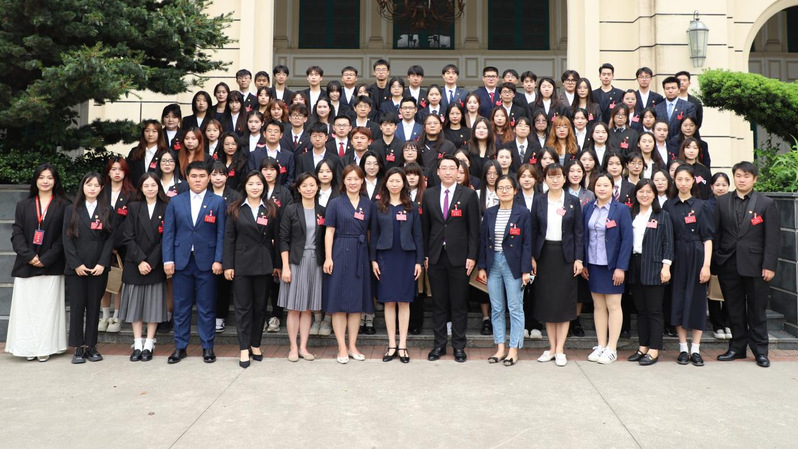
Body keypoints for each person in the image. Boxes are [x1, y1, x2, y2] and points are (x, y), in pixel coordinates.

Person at [714, 162, 780, 368]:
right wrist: (717, 259)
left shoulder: (766, 203)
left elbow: (772, 238)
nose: (742, 180)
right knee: (734, 309)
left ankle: (760, 351)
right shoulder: (722, 202)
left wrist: (769, 265)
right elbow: (716, 233)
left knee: (757, 310)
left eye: (746, 176)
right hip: (729, 263)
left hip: (756, 265)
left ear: (755, 179)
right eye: (738, 175)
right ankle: (737, 347)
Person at [162, 161, 226, 364]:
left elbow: (221, 234)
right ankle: (180, 347)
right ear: (187, 178)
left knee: (207, 307)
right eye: (194, 176)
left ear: (209, 178)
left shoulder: (218, 202)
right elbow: (169, 233)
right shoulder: (176, 201)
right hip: (181, 262)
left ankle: (207, 347)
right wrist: (168, 259)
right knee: (181, 307)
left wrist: (218, 259)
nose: (198, 180)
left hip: (207, 263)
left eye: (202, 176)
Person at [6, 164, 69, 362]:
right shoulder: (23, 205)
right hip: (26, 264)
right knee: (26, 309)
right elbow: (17, 234)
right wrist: (29, 256)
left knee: (47, 309)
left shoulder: (64, 205)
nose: (45, 181)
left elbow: (64, 237)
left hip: (51, 265)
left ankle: (45, 347)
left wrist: (46, 258)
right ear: (35, 180)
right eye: (41, 177)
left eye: (49, 177)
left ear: (55, 181)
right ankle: (26, 347)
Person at [422, 155, 480, 363]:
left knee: (458, 304)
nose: (448, 172)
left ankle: (458, 346)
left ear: (458, 171)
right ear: (437, 172)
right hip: (436, 256)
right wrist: (425, 255)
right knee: (439, 304)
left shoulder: (469, 195)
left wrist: (472, 256)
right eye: (444, 168)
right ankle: (439, 345)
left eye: (452, 168)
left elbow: (474, 229)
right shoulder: (429, 194)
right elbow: (425, 228)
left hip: (460, 258)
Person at [223, 171, 280, 368]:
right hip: (241, 264)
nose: (255, 187)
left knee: (260, 307)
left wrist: (277, 265)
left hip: (264, 264)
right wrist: (228, 265)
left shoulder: (271, 208)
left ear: (264, 186)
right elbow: (229, 238)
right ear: (244, 187)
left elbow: (277, 239)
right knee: (242, 308)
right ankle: (244, 348)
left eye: (258, 184)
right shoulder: (235, 208)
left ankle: (256, 344)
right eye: (251, 184)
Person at [530, 163, 584, 367]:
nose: (555, 180)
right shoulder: (539, 200)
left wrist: (578, 259)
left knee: (564, 303)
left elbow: (579, 232)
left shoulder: (573, 201)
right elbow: (533, 230)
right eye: (550, 176)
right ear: (544, 179)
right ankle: (551, 348)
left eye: (558, 176)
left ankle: (560, 349)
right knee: (548, 303)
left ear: (564, 178)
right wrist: (532, 257)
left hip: (566, 256)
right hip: (544, 255)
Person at [477, 175, 532, 366]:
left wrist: (526, 270)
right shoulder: (490, 212)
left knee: (515, 308)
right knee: (497, 307)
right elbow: (483, 241)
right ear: (496, 191)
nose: (504, 191)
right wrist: (482, 267)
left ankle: (513, 349)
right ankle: (500, 347)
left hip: (514, 265)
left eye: (508, 187)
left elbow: (527, 244)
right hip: (493, 263)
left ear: (515, 190)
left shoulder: (523, 213)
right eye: (500, 188)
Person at [371, 168, 424, 363]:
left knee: (404, 301)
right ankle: (391, 344)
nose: (394, 184)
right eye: (391, 181)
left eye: (398, 181)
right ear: (386, 183)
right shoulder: (378, 206)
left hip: (406, 257)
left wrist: (419, 261)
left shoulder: (412, 207)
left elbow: (418, 235)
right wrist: (373, 259)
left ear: (404, 184)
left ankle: (402, 345)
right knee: (388, 301)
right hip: (385, 257)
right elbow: (374, 235)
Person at [323, 165, 375, 363]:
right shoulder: (335, 203)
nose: (353, 182)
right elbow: (329, 231)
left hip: (360, 254)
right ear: (343, 181)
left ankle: (352, 345)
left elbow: (370, 233)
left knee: (355, 304)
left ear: (362, 181)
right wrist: (328, 257)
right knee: (338, 304)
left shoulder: (368, 204)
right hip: (339, 252)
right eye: (349, 179)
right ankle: (341, 347)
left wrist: (371, 258)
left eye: (356, 179)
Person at [664, 164, 713, 366]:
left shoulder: (702, 206)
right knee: (678, 299)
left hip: (697, 256)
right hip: (676, 256)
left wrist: (706, 265)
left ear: (693, 181)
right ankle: (683, 347)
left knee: (697, 301)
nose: (683, 183)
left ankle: (696, 349)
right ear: (674, 181)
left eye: (687, 179)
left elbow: (708, 238)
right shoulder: (668, 206)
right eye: (679, 179)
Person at [582, 173, 633, 365]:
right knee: (598, 306)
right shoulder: (588, 208)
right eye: (598, 185)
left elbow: (627, 240)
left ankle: (612, 348)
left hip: (612, 266)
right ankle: (601, 345)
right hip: (594, 264)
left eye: (606, 185)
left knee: (613, 305)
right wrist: (584, 263)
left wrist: (621, 267)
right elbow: (584, 236)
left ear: (613, 188)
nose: (602, 189)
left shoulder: (621, 210)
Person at [63, 172, 115, 364]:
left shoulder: (107, 209)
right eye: (88, 184)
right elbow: (66, 239)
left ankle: (91, 346)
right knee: (77, 306)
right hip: (76, 267)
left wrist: (103, 263)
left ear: (101, 188)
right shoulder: (71, 209)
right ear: (82, 186)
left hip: (98, 266)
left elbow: (110, 239)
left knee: (94, 306)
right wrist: (76, 264)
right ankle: (78, 347)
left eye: (96, 185)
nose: (92, 188)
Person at [118, 173, 169, 362]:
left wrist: (151, 262)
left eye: (153, 185)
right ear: (141, 188)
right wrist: (140, 260)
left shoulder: (167, 207)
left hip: (155, 263)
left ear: (158, 187)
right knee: (136, 305)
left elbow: (166, 238)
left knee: (153, 305)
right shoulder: (133, 207)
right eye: (146, 185)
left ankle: (149, 342)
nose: (150, 189)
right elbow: (128, 236)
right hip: (135, 263)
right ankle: (137, 342)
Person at [279, 173, 326, 361]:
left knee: (308, 308)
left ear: (317, 187)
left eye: (312, 185)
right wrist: (285, 266)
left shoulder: (322, 210)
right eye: (304, 185)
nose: (309, 189)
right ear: (298, 188)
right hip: (295, 261)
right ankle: (292, 347)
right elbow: (283, 239)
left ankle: (303, 347)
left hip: (316, 262)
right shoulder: (291, 209)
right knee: (294, 308)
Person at [627, 179, 673, 365]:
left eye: (648, 191)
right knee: (641, 310)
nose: (644, 195)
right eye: (641, 191)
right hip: (635, 265)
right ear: (636, 194)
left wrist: (666, 266)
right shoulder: (631, 214)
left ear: (654, 194)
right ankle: (643, 346)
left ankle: (654, 349)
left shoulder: (662, 215)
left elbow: (668, 243)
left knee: (654, 310)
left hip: (654, 267)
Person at [98, 156, 136, 334]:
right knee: (103, 281)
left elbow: (130, 223)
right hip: (100, 243)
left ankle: (117, 316)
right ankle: (104, 315)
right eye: (113, 169)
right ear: (108, 172)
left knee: (118, 281)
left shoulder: (132, 194)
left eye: (120, 169)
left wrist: (114, 243)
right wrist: (105, 242)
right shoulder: (100, 192)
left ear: (125, 172)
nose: (117, 173)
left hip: (122, 246)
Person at [706, 172, 731, 340]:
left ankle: (728, 322)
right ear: (711, 187)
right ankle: (717, 324)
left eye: (724, 185)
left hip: (730, 253)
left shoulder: (733, 203)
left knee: (731, 290)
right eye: (717, 185)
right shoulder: (706, 205)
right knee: (714, 290)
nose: (720, 188)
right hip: (713, 253)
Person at [127, 120, 169, 186]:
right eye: (147, 131)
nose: (150, 134)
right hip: (136, 189)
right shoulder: (135, 151)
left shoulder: (166, 153)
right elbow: (128, 173)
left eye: (154, 131)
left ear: (160, 133)